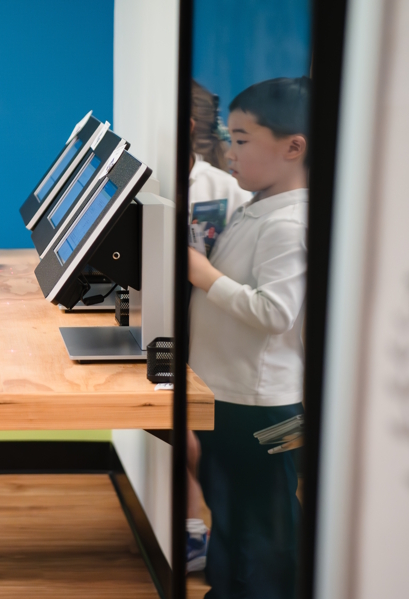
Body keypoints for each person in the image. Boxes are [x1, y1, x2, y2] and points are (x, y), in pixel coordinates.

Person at [188, 76, 311, 599]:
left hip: (263, 407)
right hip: (229, 397)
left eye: (241, 140)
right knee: (234, 516)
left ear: (292, 147)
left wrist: (202, 274)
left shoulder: (289, 224)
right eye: (228, 137)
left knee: (264, 531)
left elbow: (273, 312)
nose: (228, 152)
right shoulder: (255, 207)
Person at [185, 80, 254, 573]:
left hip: (217, 331)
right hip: (177, 323)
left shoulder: (223, 189)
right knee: (184, 430)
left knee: (204, 437)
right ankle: (198, 531)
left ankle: (208, 535)